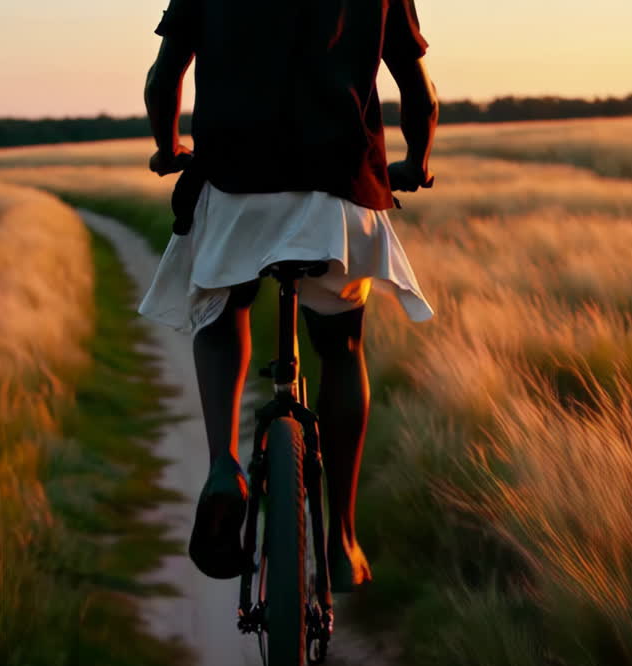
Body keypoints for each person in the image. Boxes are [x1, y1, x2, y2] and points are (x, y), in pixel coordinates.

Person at [141, 0, 438, 588]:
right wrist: (418, 161)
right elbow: (420, 93)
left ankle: (223, 466)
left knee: (223, 313)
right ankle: (343, 537)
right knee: (342, 347)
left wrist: (167, 146)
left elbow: (163, 76)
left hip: (235, 185)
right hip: (339, 189)